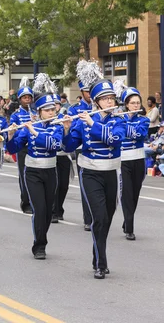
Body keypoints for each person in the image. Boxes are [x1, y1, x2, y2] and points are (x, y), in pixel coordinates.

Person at [62, 61, 126, 279]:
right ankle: (101, 262)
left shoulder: (119, 121)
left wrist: (92, 124)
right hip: (90, 173)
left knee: (106, 218)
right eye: (106, 99)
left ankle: (97, 252)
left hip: (112, 173)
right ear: (97, 102)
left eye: (112, 98)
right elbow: (69, 147)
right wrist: (67, 129)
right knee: (98, 217)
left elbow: (115, 139)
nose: (111, 102)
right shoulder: (82, 121)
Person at [7, 75, 63, 259]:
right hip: (32, 173)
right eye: (47, 110)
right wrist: (11, 135)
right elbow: (13, 148)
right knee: (39, 209)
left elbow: (54, 145)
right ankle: (39, 245)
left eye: (52, 110)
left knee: (48, 210)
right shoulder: (28, 127)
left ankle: (42, 237)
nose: (51, 113)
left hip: (50, 171)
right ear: (39, 112)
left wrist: (33, 131)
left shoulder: (57, 127)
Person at [118, 87, 149, 240]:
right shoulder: (118, 118)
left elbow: (141, 134)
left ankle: (127, 220)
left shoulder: (144, 119)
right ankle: (129, 229)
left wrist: (124, 126)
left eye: (138, 103)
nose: (137, 105)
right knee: (127, 193)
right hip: (123, 161)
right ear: (127, 104)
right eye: (133, 103)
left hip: (138, 160)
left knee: (135, 194)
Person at [68, 79, 94, 231]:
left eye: (91, 91)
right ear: (82, 93)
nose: (90, 94)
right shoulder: (74, 109)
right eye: (87, 91)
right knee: (86, 184)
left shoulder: (101, 107)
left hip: (100, 151)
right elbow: (72, 131)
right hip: (82, 149)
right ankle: (88, 218)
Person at [9, 77, 36, 214]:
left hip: (34, 147)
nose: (27, 100)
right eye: (24, 98)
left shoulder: (36, 113)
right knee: (23, 175)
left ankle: (33, 200)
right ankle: (25, 202)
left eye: (29, 97)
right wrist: (25, 129)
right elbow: (13, 130)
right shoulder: (15, 115)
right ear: (20, 100)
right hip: (22, 147)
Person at [52, 94, 72, 222]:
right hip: (53, 156)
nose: (55, 107)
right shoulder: (46, 120)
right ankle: (54, 211)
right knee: (55, 184)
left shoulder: (63, 118)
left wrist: (67, 128)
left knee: (64, 185)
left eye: (57, 104)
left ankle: (59, 208)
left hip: (63, 156)